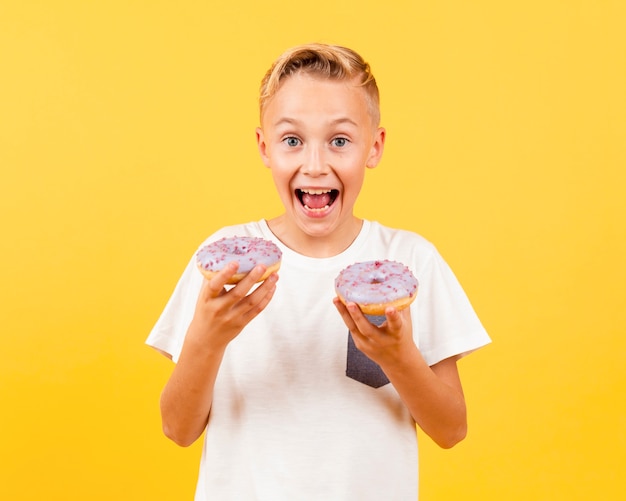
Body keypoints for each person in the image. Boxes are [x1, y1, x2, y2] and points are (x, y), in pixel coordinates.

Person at [146, 43, 491, 500]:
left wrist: (397, 357)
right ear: (264, 147)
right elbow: (178, 428)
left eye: (340, 140)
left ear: (375, 146)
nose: (315, 165)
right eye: (292, 140)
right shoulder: (223, 266)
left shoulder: (411, 261)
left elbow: (452, 429)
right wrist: (206, 339)